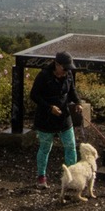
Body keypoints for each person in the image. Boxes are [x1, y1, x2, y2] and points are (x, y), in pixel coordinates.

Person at [30, 50, 82, 188]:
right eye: (65, 68)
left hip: (64, 117)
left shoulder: (68, 74)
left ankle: (72, 177)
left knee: (71, 146)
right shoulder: (43, 76)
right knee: (45, 147)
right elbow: (34, 95)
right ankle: (41, 177)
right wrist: (49, 107)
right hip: (46, 118)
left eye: (69, 68)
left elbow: (72, 91)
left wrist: (78, 102)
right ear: (57, 65)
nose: (67, 71)